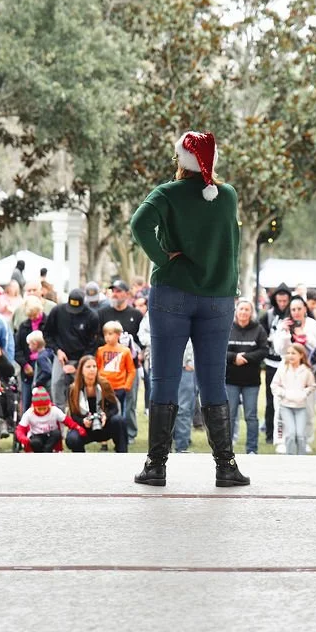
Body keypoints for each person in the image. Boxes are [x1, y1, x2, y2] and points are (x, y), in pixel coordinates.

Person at [129, 131, 248, 486]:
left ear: (181, 160)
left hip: (172, 294)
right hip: (218, 299)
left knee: (165, 377)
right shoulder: (226, 196)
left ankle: (156, 466)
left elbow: (139, 225)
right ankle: (225, 467)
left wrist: (161, 257)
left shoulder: (166, 193)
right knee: (213, 381)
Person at [97, 280, 144, 441]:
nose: (115, 294)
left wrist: (141, 352)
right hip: (109, 366)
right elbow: (97, 338)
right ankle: (106, 433)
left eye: (118, 291)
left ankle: (130, 433)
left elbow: (142, 338)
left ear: (126, 293)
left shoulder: (135, 314)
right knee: (106, 402)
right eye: (113, 291)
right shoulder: (103, 313)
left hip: (131, 364)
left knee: (130, 401)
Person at [42, 288, 100, 409]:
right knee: (57, 387)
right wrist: (57, 350)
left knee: (82, 393)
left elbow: (93, 344)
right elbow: (47, 334)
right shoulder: (57, 311)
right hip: (61, 358)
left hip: (82, 358)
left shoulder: (91, 316)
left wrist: (77, 365)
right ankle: (59, 421)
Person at [225, 299, 267, 455]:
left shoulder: (259, 330)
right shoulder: (227, 327)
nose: (243, 312)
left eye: (247, 309)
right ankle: (226, 449)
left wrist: (247, 358)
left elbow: (264, 350)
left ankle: (252, 449)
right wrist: (234, 357)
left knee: (251, 416)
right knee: (229, 415)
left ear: (251, 312)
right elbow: (219, 349)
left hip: (251, 382)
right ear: (236, 311)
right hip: (230, 380)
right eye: (241, 309)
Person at [63, 355, 126, 452]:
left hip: (104, 425)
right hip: (85, 428)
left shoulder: (104, 384)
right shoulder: (73, 389)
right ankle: (80, 461)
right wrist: (83, 421)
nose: (92, 369)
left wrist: (106, 416)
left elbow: (114, 408)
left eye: (94, 366)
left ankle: (122, 453)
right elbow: (74, 415)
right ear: (81, 370)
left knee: (119, 421)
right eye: (88, 367)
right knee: (72, 439)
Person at [270, 344, 316, 455]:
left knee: (300, 434)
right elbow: (274, 385)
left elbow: (312, 386)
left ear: (301, 355)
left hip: (301, 407)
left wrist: (304, 393)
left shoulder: (306, 371)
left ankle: (301, 457)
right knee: (290, 434)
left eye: (293, 353)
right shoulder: (283, 369)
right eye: (289, 353)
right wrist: (283, 393)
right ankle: (290, 458)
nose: (290, 356)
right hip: (286, 406)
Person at [261, 283, 293, 444]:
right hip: (272, 362)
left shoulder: (294, 314)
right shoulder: (268, 315)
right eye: (279, 300)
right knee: (270, 400)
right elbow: (260, 335)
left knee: (291, 399)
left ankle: (290, 432)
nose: (282, 303)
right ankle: (269, 433)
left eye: (285, 300)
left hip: (291, 362)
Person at [14, 294, 47, 412]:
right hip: (28, 366)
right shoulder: (23, 327)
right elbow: (17, 349)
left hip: (45, 365)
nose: (34, 318)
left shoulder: (47, 324)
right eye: (31, 316)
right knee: (27, 399)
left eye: (36, 314)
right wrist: (25, 365)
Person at [96, 320, 136, 412]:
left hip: (119, 388)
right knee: (103, 410)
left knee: (119, 411)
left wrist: (127, 385)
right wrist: (98, 382)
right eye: (105, 334)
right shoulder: (100, 350)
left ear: (118, 334)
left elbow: (131, 370)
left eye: (110, 334)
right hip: (103, 386)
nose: (107, 337)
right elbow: (97, 368)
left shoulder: (125, 351)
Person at [15, 387, 65, 452]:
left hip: (50, 436)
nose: (42, 411)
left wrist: (77, 428)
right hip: (36, 436)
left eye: (45, 408)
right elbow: (20, 429)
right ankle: (40, 454)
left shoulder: (54, 410)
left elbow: (67, 420)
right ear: (34, 407)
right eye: (39, 409)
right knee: (35, 442)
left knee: (57, 433)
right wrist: (23, 438)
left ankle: (46, 451)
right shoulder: (29, 413)